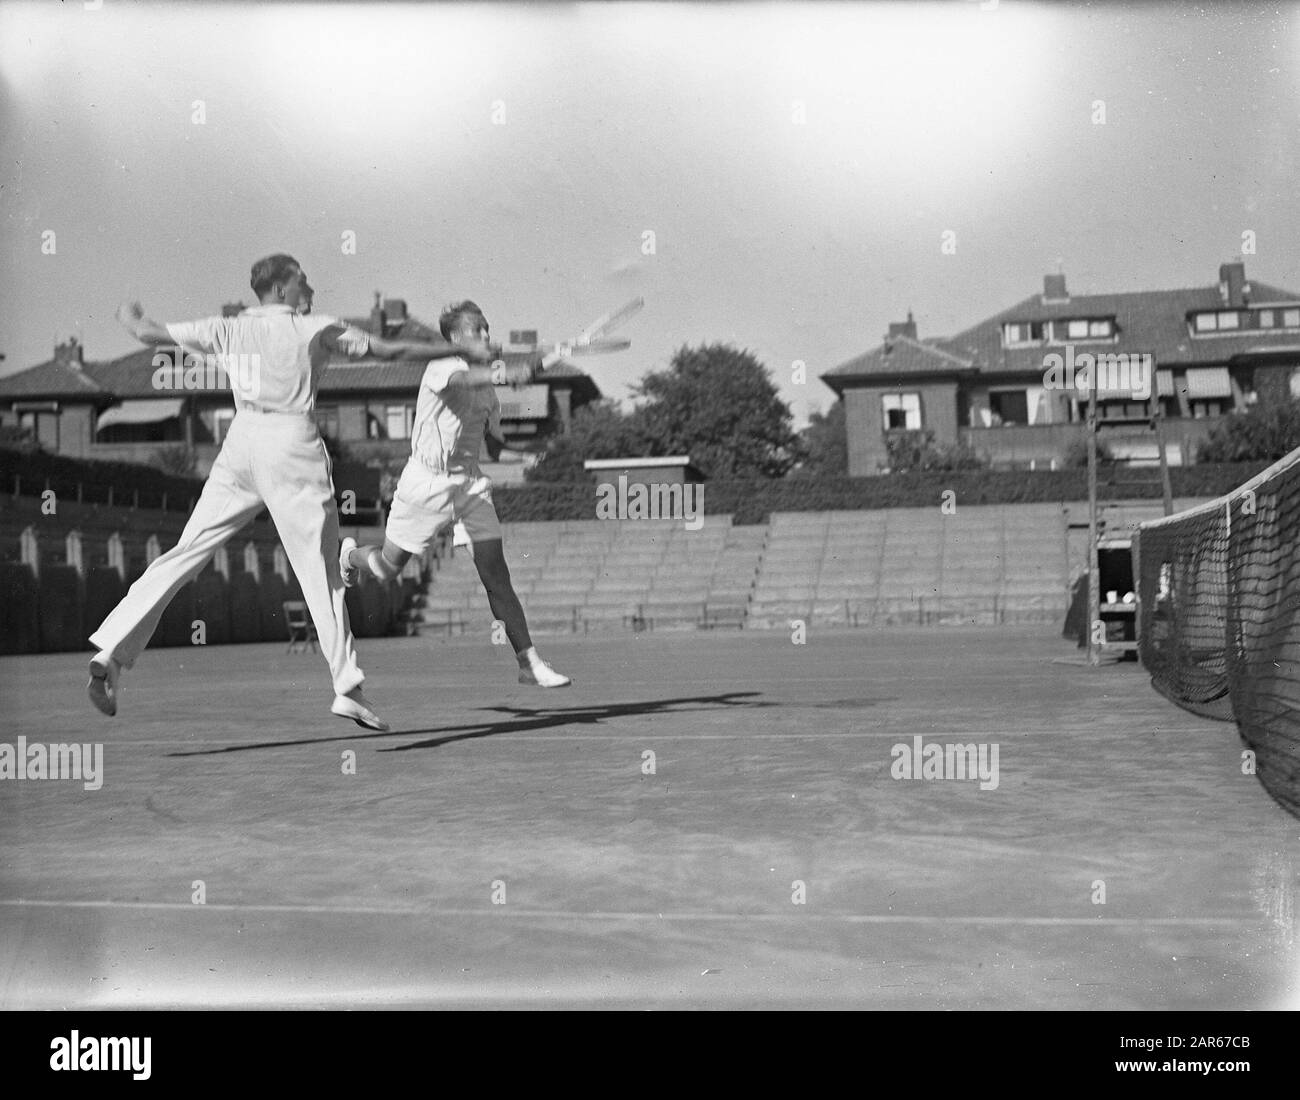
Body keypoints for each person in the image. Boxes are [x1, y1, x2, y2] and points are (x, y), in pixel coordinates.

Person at [88, 253, 488, 729]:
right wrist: (455, 352)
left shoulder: (228, 327)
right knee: (321, 570)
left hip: (241, 443)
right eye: (302, 281)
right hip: (291, 444)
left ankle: (111, 652)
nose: (310, 287)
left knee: (186, 550)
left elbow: (148, 333)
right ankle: (348, 687)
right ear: (280, 290)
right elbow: (390, 350)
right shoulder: (314, 328)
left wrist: (129, 317)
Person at [340, 300, 571, 688]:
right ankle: (349, 555)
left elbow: (494, 448)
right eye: (476, 329)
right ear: (454, 338)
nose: (485, 335)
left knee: (497, 576)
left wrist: (528, 456)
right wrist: (521, 368)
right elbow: (471, 380)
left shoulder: (487, 393)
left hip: (470, 485)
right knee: (386, 568)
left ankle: (528, 662)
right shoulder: (443, 368)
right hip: (425, 483)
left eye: (486, 328)